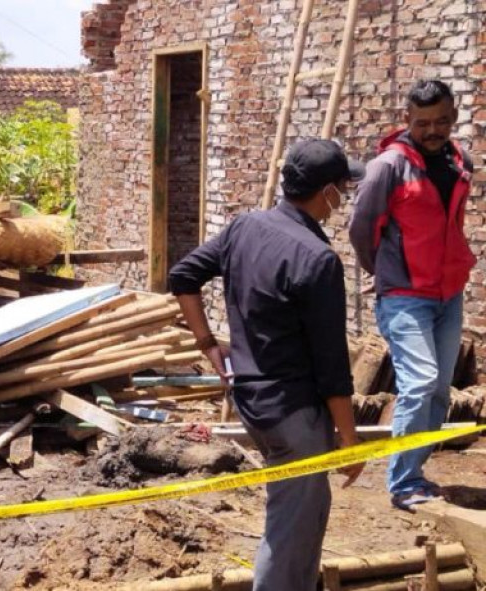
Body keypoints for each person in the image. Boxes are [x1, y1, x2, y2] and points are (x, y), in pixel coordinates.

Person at [168, 139, 366, 591]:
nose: (343, 197)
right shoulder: (317, 260)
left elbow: (183, 277)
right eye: (342, 188)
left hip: (252, 403)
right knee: (291, 533)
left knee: (306, 516)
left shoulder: (245, 227)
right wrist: (350, 440)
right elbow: (332, 364)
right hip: (294, 415)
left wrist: (208, 345)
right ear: (327, 193)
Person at [348, 80, 474, 511]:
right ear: (407, 120)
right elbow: (361, 229)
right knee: (419, 382)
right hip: (404, 295)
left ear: (453, 117)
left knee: (440, 388)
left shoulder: (459, 162)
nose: (432, 130)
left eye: (441, 120)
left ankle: (416, 473)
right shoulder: (388, 167)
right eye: (423, 123)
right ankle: (402, 484)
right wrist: (381, 271)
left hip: (448, 293)